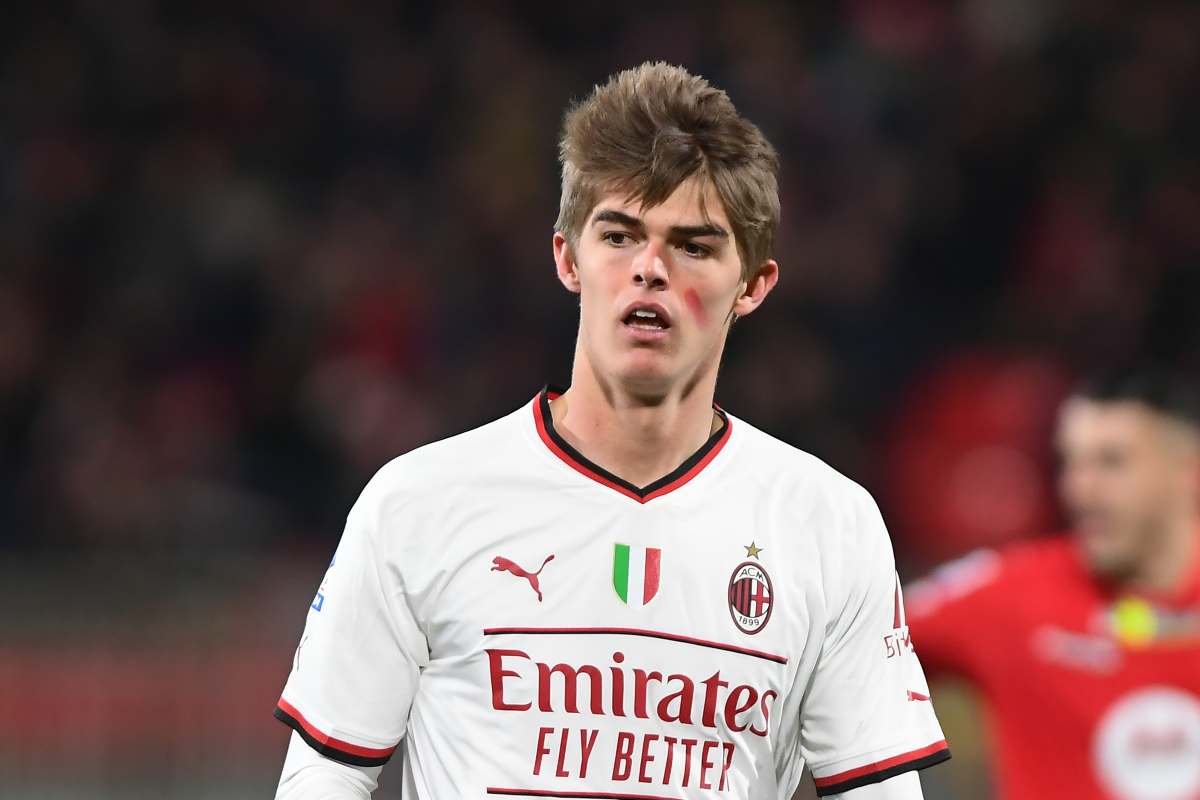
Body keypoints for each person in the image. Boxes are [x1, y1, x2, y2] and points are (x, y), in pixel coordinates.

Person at [273, 62, 949, 799]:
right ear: (568, 257)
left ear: (753, 285)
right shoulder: (418, 504)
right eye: (621, 236)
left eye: (694, 246)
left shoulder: (827, 524)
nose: (650, 268)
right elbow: (325, 774)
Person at [906, 368, 1200, 800]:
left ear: (1188, 472)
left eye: (1112, 462)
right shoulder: (1009, 592)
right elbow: (841, 644)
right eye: (1070, 463)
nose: (1081, 489)